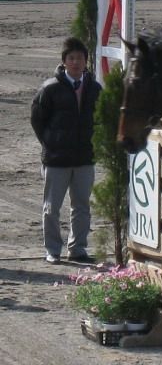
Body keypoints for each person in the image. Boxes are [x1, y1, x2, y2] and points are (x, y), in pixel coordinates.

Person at [31, 38, 102, 264]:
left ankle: (78, 249)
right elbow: (37, 120)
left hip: (84, 157)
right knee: (51, 208)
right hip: (56, 159)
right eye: (71, 58)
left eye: (79, 58)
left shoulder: (94, 88)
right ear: (64, 62)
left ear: (85, 61)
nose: (75, 62)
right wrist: (50, 143)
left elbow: (101, 119)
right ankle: (53, 250)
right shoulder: (50, 88)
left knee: (81, 206)